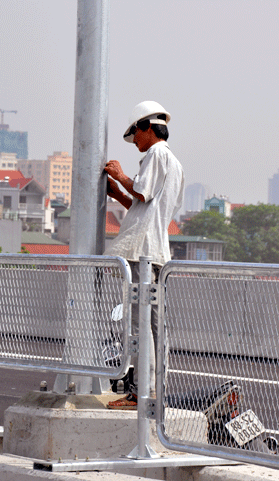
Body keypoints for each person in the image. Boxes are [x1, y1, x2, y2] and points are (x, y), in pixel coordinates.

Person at [104, 100, 184, 409]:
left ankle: (140, 393)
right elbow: (145, 209)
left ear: (146, 128)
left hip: (143, 253)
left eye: (135, 133)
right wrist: (120, 194)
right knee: (153, 327)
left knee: (140, 325)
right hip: (155, 249)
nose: (134, 140)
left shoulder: (156, 153)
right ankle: (150, 391)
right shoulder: (174, 164)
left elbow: (141, 192)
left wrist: (121, 176)